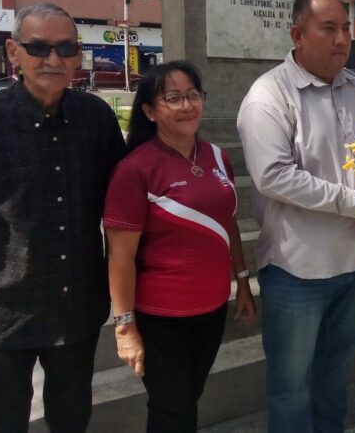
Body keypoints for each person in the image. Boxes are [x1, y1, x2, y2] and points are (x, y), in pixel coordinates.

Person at [0, 2, 126, 432]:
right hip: (2, 310)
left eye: (65, 47)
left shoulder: (97, 118)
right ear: (13, 51)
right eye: (38, 47)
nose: (53, 59)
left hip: (77, 306)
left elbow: (122, 210)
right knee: (4, 423)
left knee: (73, 418)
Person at [237, 0, 355, 433]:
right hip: (298, 270)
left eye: (346, 28)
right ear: (298, 34)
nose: (342, 39)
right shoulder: (268, 96)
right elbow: (273, 176)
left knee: (334, 376)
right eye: (329, 29)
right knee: (291, 387)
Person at [103, 61, 255, 432]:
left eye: (192, 95)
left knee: (188, 398)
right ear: (150, 111)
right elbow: (120, 256)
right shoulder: (135, 169)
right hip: (161, 317)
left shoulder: (217, 157)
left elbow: (228, 222)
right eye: (173, 98)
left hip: (212, 308)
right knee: (171, 409)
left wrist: (243, 281)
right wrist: (125, 328)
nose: (187, 106)